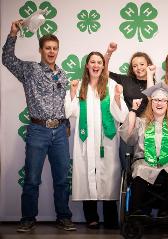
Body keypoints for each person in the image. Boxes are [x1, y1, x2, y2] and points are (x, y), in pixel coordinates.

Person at [2, 20, 75, 232]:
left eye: (55, 48)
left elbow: (66, 104)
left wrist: (67, 124)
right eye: (48, 48)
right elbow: (7, 59)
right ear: (41, 50)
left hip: (60, 131)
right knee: (32, 178)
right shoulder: (30, 70)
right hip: (38, 130)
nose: (51, 52)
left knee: (62, 178)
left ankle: (64, 217)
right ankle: (27, 218)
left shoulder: (63, 74)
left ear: (58, 50)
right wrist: (13, 33)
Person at [64, 52, 128, 229]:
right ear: (87, 65)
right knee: (86, 174)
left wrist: (116, 97)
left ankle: (110, 218)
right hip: (85, 139)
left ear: (103, 66)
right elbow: (69, 112)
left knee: (109, 176)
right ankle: (91, 217)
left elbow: (122, 115)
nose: (96, 65)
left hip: (106, 140)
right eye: (92, 61)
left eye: (99, 62)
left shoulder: (111, 84)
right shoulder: (80, 85)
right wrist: (72, 92)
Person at [118, 80, 168, 217]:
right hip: (144, 162)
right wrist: (133, 110)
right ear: (151, 103)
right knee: (139, 170)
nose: (159, 103)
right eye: (156, 100)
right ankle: (138, 211)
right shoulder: (141, 122)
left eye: (163, 100)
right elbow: (128, 136)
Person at [104, 44, 155, 169]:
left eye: (142, 64)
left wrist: (150, 75)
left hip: (148, 129)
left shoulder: (153, 83)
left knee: (147, 166)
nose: (138, 68)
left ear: (148, 65)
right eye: (135, 65)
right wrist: (109, 53)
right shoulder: (125, 80)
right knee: (126, 165)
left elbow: (151, 97)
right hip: (128, 128)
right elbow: (103, 71)